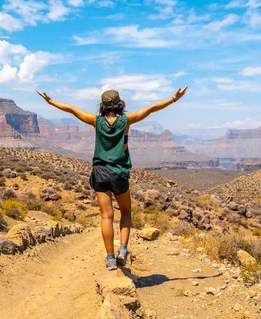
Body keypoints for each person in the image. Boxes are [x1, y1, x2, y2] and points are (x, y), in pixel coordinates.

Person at [37, 86, 188, 270]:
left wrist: (50, 101)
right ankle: (123, 250)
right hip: (119, 173)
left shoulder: (96, 121)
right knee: (125, 212)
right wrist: (174, 98)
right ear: (119, 104)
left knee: (106, 216)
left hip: (100, 172)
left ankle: (110, 258)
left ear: (102, 105)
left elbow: (71, 109)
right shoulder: (126, 120)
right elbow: (150, 109)